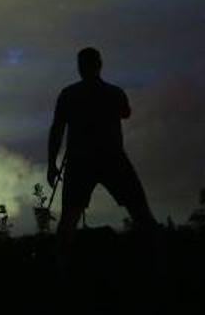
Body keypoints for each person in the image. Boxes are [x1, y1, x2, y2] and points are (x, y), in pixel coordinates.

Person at [47, 47, 157, 248]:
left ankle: (61, 268)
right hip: (112, 158)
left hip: (80, 161)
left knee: (69, 219)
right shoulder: (114, 93)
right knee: (140, 211)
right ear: (99, 65)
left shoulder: (69, 94)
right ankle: (159, 258)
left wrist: (51, 163)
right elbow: (126, 113)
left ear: (80, 68)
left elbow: (57, 129)